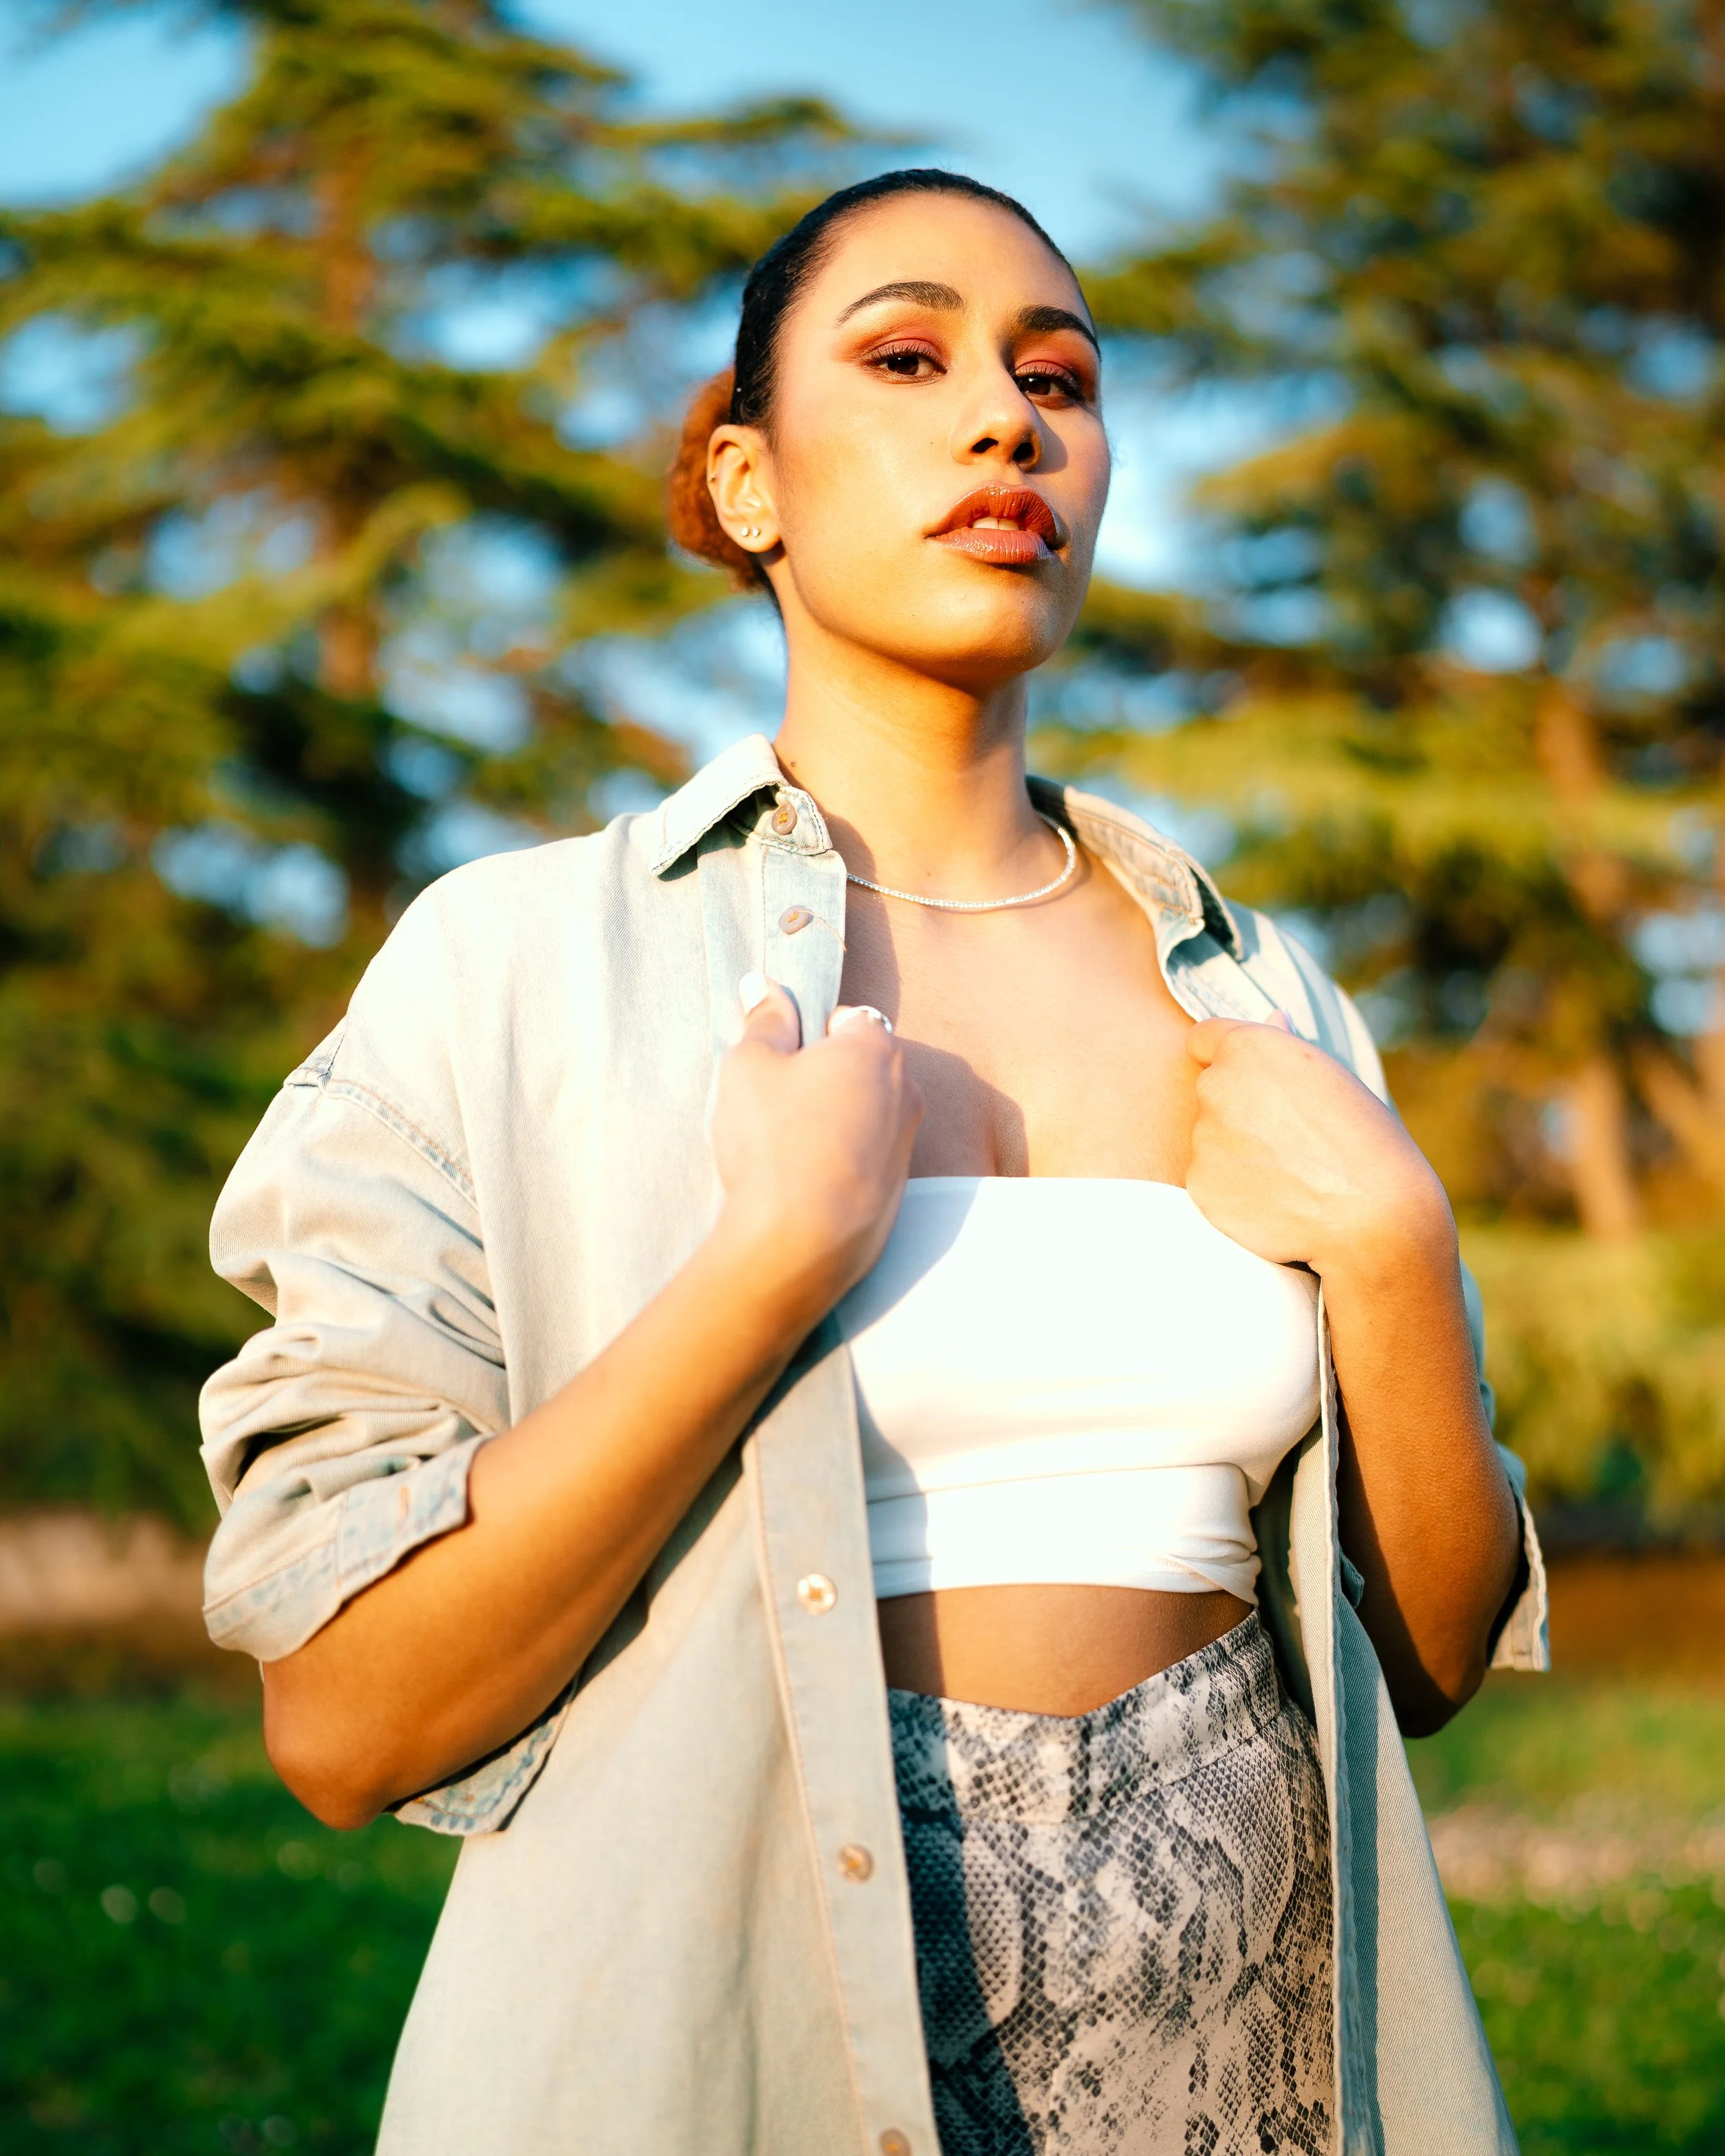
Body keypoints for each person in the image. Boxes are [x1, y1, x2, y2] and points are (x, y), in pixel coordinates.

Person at [199, 169, 1547, 2156]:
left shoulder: (1263, 993)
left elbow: (1418, 1664)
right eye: (907, 358)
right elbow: (342, 1721)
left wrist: (1396, 1242)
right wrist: (769, 1261)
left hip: (1257, 2059)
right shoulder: (513, 964)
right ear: (747, 483)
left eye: (1057, 379)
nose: (1006, 419)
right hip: (741, 2053)